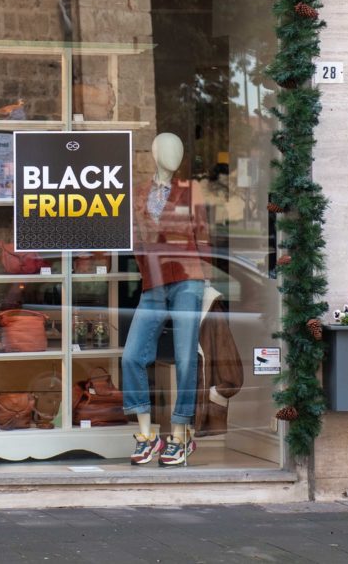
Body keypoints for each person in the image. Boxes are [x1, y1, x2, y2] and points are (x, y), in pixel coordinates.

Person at [121, 132, 208, 467]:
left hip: (187, 279)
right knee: (132, 356)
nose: (175, 155)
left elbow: (203, 236)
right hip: (153, 282)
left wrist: (205, 280)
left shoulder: (190, 190)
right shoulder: (139, 193)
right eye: (169, 149)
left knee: (185, 359)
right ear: (155, 153)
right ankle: (147, 435)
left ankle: (180, 435)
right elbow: (135, 238)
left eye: (179, 149)